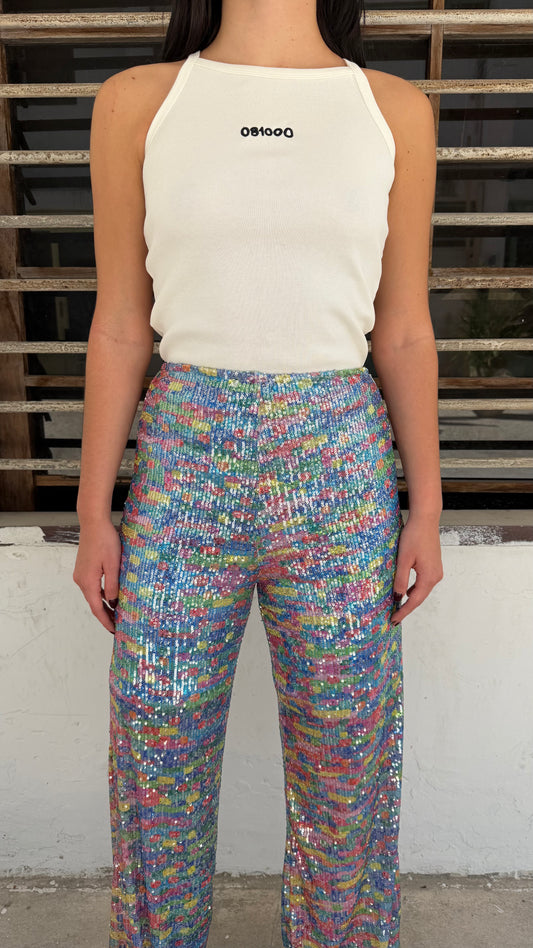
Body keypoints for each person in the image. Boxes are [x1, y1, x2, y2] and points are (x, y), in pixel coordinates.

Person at [73, 1, 443, 945]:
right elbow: (119, 323)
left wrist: (425, 508)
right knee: (156, 733)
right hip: (184, 452)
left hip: (339, 457)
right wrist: (93, 513)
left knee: (346, 747)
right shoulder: (139, 101)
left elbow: (403, 328)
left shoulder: (391, 109)